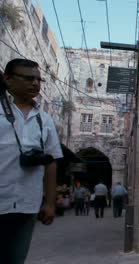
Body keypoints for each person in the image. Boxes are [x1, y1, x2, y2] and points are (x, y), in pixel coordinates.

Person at [0, 59, 63, 264]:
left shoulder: (44, 119)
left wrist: (50, 203)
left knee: (15, 259)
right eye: (28, 78)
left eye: (38, 79)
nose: (35, 83)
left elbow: (51, 161)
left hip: (27, 203)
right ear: (8, 79)